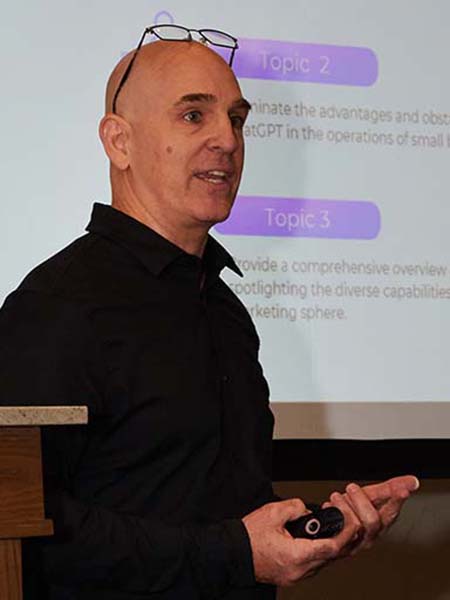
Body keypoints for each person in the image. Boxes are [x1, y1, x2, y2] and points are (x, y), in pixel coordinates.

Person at [0, 28, 419, 600]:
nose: (227, 138)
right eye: (194, 116)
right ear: (119, 142)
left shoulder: (224, 308)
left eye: (237, 119)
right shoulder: (57, 307)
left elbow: (211, 511)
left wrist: (314, 530)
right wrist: (236, 554)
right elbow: (23, 530)